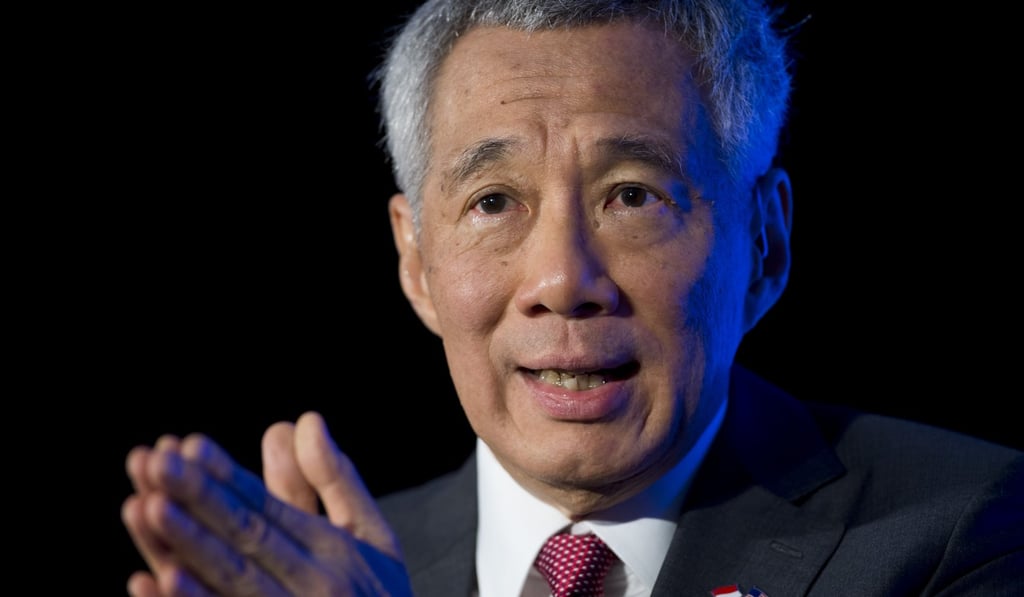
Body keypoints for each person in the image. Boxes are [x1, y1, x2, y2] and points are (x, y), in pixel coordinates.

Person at [121, 0, 1024, 595]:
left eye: (632, 195)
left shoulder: (961, 527)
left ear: (764, 244)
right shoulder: (331, 572)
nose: (562, 281)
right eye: (494, 202)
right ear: (416, 261)